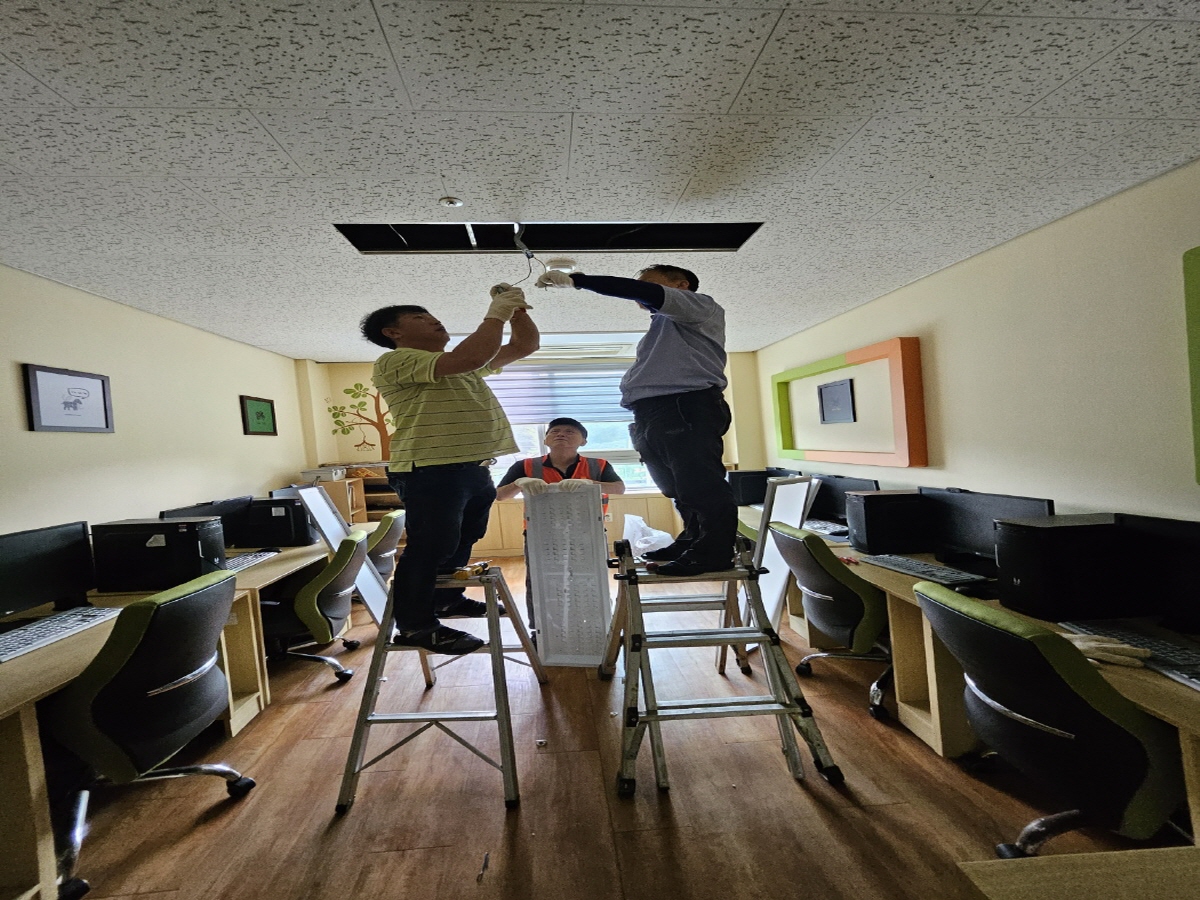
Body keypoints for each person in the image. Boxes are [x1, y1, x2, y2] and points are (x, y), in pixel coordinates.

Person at [360, 284, 539, 654]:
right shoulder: (396, 361)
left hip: (471, 468)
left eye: (432, 315)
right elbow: (471, 356)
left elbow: (525, 346)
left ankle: (446, 599)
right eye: (419, 318)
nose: (434, 320)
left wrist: (517, 311)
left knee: (464, 538)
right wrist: (497, 311)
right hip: (430, 468)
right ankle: (415, 626)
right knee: (431, 546)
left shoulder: (456, 365)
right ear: (393, 333)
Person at [536, 264, 735, 576]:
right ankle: (694, 539)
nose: (639, 292)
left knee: (699, 484)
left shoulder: (700, 307)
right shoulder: (665, 327)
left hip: (683, 405)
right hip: (654, 412)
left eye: (651, 284)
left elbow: (642, 292)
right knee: (676, 487)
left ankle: (714, 553)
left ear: (681, 286)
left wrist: (578, 281)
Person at [495, 417, 626, 501]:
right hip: (539, 528)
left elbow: (619, 489)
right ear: (545, 440)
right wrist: (517, 483)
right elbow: (499, 495)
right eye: (554, 431)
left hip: (591, 527)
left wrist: (590, 484)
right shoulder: (524, 465)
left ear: (583, 441)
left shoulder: (598, 464)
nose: (561, 434)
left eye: (570, 432)